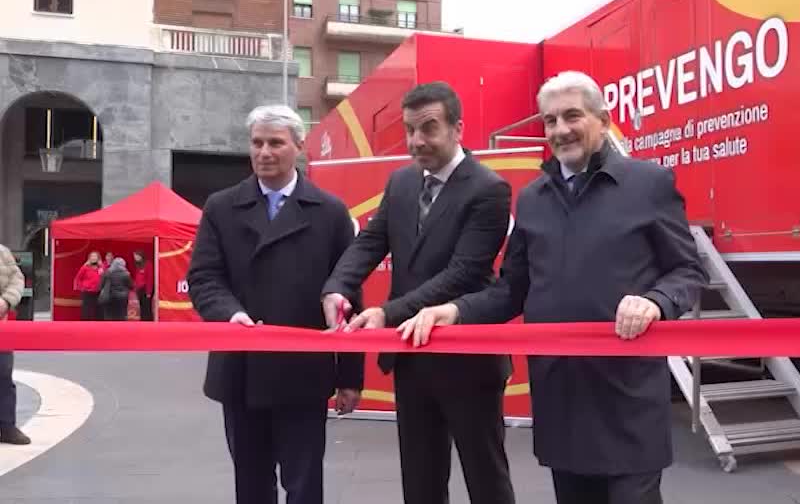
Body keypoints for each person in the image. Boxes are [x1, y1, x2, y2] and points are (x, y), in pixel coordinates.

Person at [400, 71, 708, 504]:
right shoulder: (533, 199)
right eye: (550, 120)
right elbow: (511, 290)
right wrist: (453, 311)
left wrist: (655, 301)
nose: (560, 130)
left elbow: (688, 270)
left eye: (572, 116)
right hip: (562, 396)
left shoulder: (649, 184)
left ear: (603, 120)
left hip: (628, 397)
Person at [322, 81, 516, 504]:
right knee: (421, 482)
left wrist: (387, 313)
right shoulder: (401, 183)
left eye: (428, 128)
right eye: (410, 130)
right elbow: (370, 242)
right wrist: (337, 287)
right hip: (410, 359)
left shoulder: (489, 189)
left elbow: (463, 273)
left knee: (486, 480)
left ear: (457, 129)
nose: (416, 141)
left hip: (468, 361)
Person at [187, 104, 363, 504]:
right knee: (251, 485)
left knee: (304, 486)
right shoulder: (221, 207)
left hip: (303, 375)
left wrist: (350, 377)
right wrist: (231, 314)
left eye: (276, 143)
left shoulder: (331, 212)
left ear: (299, 146)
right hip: (241, 371)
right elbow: (204, 278)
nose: (264, 152)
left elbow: (348, 295)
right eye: (257, 143)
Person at [0, 243, 29, 445]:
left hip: (2, 329)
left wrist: (6, 301)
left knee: (4, 376)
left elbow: (17, 279)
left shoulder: (2, 252)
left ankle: (7, 426)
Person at [99, 257, 133, 321]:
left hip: (109, 296)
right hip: (122, 297)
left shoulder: (107, 272)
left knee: (109, 315)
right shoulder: (126, 274)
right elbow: (131, 286)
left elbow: (101, 285)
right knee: (121, 315)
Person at [74, 251, 103, 321]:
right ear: (89, 258)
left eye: (95, 256)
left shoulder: (101, 268)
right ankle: (85, 324)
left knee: (98, 310)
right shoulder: (85, 267)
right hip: (87, 292)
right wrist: (82, 288)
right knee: (87, 310)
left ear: (98, 258)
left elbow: (105, 278)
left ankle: (98, 324)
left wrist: (102, 272)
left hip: (98, 292)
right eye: (92, 256)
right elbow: (78, 278)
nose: (93, 258)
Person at [132, 250, 153, 321]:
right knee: (141, 307)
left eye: (136, 256)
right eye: (134, 256)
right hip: (139, 289)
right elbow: (137, 277)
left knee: (147, 307)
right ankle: (143, 320)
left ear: (141, 256)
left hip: (145, 289)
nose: (135, 258)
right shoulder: (137, 264)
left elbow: (149, 278)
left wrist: (148, 292)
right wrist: (135, 288)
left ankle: (148, 320)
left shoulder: (148, 264)